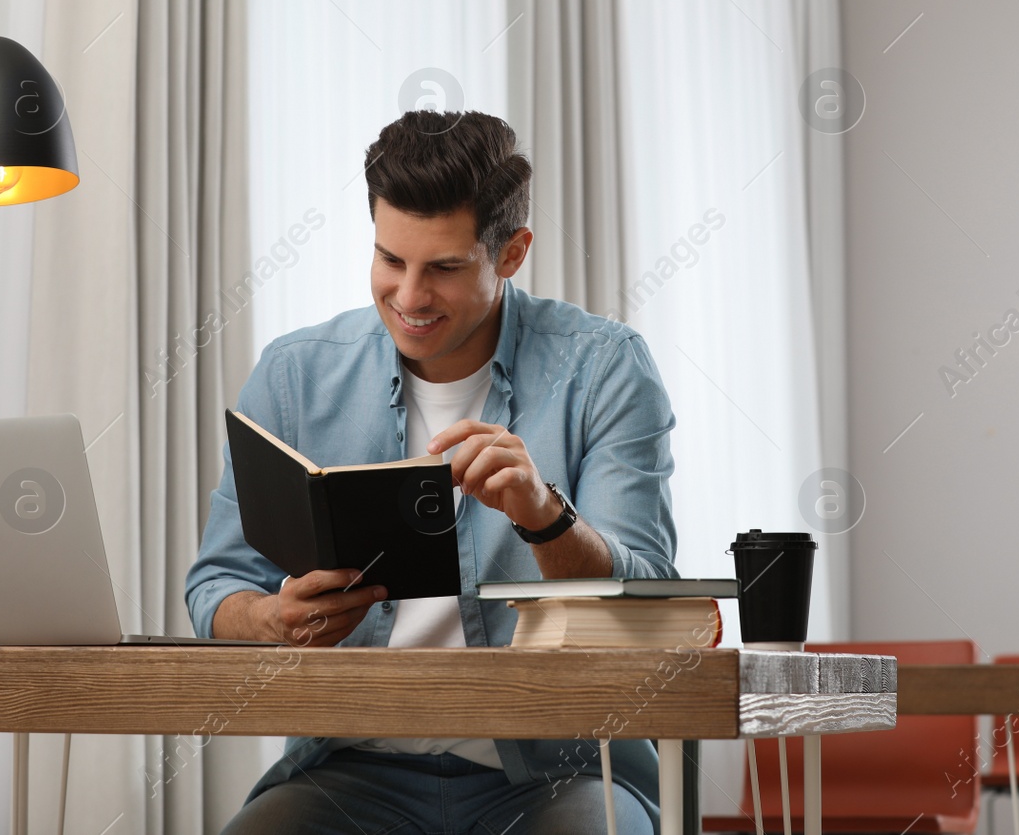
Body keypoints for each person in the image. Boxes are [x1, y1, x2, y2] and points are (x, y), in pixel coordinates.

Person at [186, 110, 677, 835]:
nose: (409, 296)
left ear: (512, 253)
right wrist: (270, 618)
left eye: (444, 267)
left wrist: (546, 515)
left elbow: (652, 615)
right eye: (391, 259)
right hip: (346, 770)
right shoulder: (295, 374)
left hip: (558, 775)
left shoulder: (604, 369)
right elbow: (215, 585)